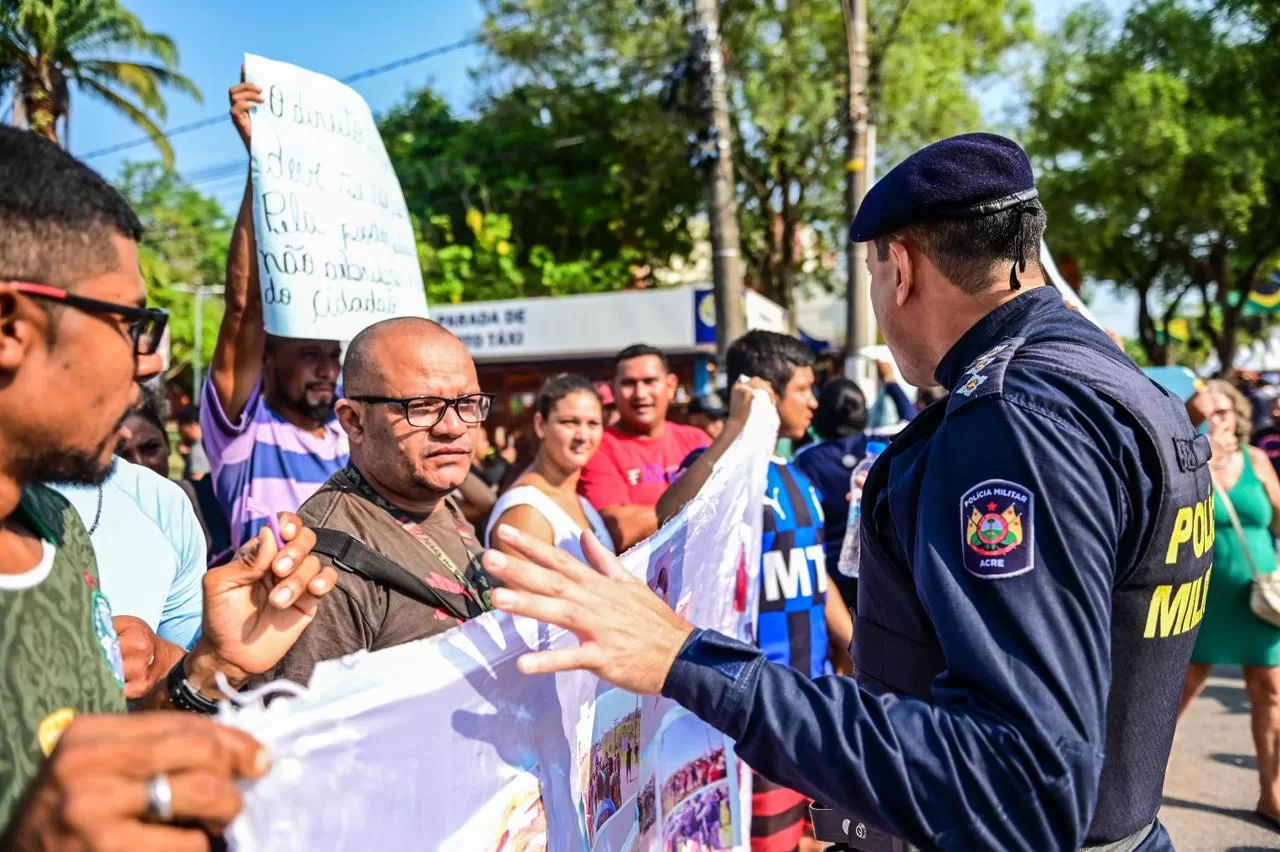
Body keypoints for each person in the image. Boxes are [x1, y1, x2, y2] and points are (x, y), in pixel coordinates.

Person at [483, 133, 1213, 852]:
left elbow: (1018, 777)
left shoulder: (1013, 416)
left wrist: (686, 661)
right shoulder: (1114, 382)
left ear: (898, 267)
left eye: (868, 272)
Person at [0, 126, 337, 847]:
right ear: (9, 325)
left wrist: (211, 667)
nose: (148, 367)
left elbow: (103, 776)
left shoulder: (57, 528)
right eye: (132, 324)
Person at [657, 331, 852, 852]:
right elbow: (671, 514)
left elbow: (814, 572)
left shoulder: (799, 474)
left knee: (826, 839)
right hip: (759, 706)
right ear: (766, 391)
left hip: (817, 698)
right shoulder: (719, 471)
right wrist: (737, 426)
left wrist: (850, 642)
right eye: (805, 389)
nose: (814, 401)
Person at [256, 317, 496, 687]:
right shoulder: (326, 566)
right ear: (353, 421)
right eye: (423, 406)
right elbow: (304, 735)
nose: (452, 426)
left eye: (468, 403)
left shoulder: (434, 500)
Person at [203, 77, 349, 552]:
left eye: (333, 354)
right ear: (265, 359)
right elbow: (244, 310)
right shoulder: (244, 429)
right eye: (309, 354)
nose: (328, 368)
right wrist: (262, 164)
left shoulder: (354, 426)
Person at [1180, 380, 1280, 827]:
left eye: (1223, 412)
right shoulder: (1186, 462)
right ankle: (1135, 781)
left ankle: (1272, 792)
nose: (1218, 420)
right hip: (1201, 597)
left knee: (1272, 691)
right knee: (1179, 689)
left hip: (1259, 597)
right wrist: (1203, 454)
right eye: (1206, 413)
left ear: (1239, 415)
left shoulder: (1257, 460)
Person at [579, 345, 710, 550]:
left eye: (650, 381)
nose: (640, 393)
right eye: (629, 383)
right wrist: (702, 508)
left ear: (670, 385)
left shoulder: (696, 440)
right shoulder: (598, 447)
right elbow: (621, 530)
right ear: (613, 389)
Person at [488, 374, 615, 562]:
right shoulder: (525, 511)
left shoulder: (582, 503)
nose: (583, 436)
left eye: (593, 424)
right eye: (569, 422)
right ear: (540, 425)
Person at [792, 378, 869, 605]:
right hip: (881, 570)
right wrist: (891, 381)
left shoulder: (806, 458)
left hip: (829, 577)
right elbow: (908, 414)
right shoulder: (882, 447)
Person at [176, 403, 211, 481]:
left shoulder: (198, 449)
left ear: (192, 425)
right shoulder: (208, 444)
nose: (179, 430)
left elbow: (197, 480)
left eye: (181, 426)